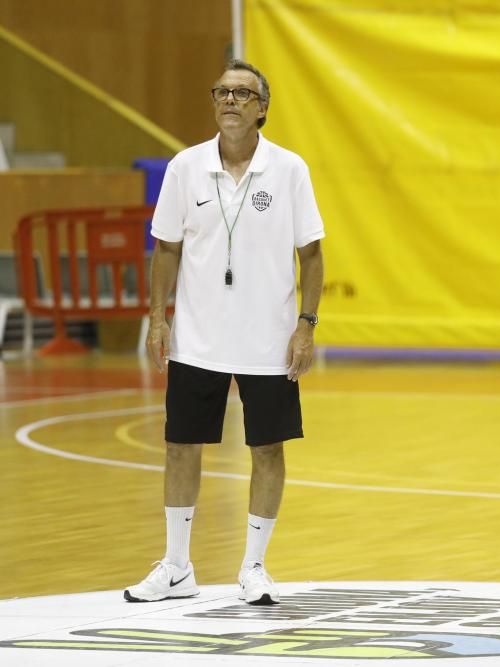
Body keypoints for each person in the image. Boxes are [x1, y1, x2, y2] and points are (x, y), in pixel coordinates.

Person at [125, 59, 325, 605]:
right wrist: (157, 317)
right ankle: (176, 566)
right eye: (222, 91)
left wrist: (305, 327)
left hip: (269, 339)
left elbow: (311, 255)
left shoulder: (289, 170)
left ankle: (255, 567)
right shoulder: (185, 168)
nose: (230, 100)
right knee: (180, 446)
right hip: (197, 336)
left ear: (262, 107)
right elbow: (165, 248)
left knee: (268, 448)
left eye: (242, 93)